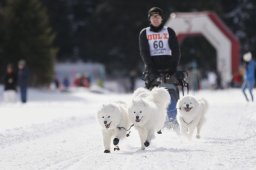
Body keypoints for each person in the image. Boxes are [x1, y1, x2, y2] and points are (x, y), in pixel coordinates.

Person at [139, 7, 181, 128]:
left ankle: (172, 121)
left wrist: (173, 68)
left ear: (162, 18)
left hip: (169, 68)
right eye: (153, 17)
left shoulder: (169, 31)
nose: (155, 19)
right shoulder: (144, 32)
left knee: (172, 94)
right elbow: (144, 53)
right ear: (149, 19)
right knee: (152, 97)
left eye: (158, 16)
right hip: (152, 69)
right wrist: (152, 70)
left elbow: (176, 51)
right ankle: (155, 123)